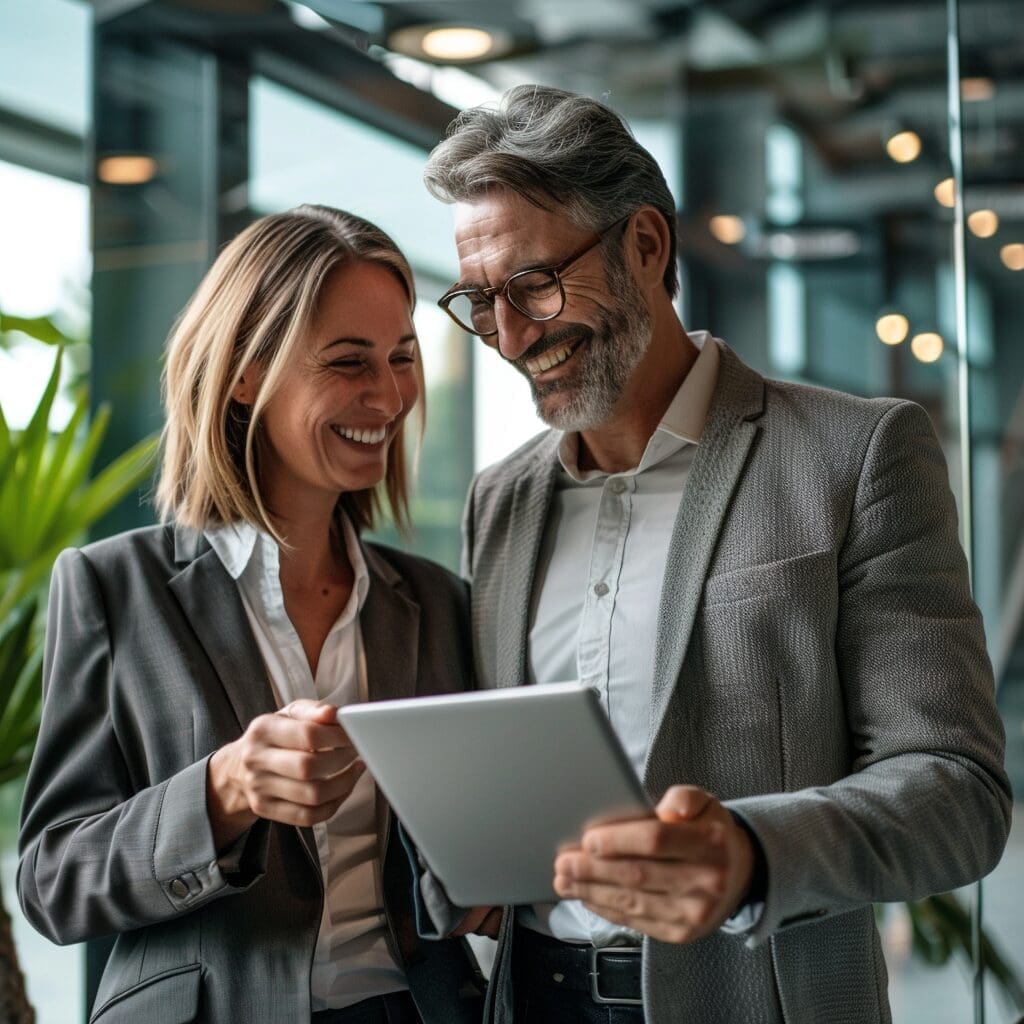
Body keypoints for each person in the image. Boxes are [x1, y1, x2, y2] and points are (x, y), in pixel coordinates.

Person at [417, 86, 1012, 1023]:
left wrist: (749, 854)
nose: (512, 336)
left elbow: (957, 791)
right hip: (530, 999)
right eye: (479, 302)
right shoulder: (501, 498)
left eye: (533, 284)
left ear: (646, 246)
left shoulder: (853, 453)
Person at [17, 205, 484, 1024]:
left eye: (402, 357)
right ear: (243, 373)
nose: (387, 394)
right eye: (347, 362)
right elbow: (54, 883)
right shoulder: (111, 588)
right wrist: (224, 790)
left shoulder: (439, 602)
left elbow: (463, 860)